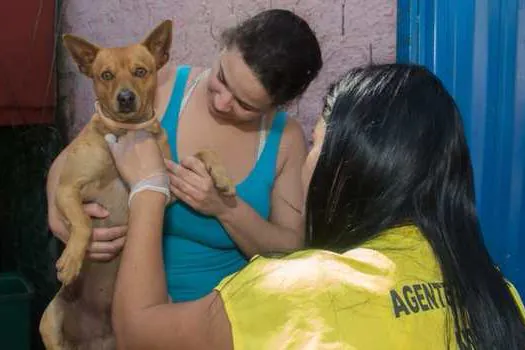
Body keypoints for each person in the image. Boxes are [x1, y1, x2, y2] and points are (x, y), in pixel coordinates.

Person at [108, 64, 525, 349]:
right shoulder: (498, 296)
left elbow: (135, 332)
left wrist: (147, 190)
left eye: (316, 143)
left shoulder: (297, 291)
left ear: (345, 167)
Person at [46, 9, 323, 301]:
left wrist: (225, 209)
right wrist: (58, 215)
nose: (222, 102)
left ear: (277, 106)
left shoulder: (286, 139)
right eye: (222, 78)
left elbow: (290, 252)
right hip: (126, 309)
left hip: (227, 317)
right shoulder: (160, 85)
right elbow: (70, 160)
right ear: (221, 49)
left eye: (246, 105)